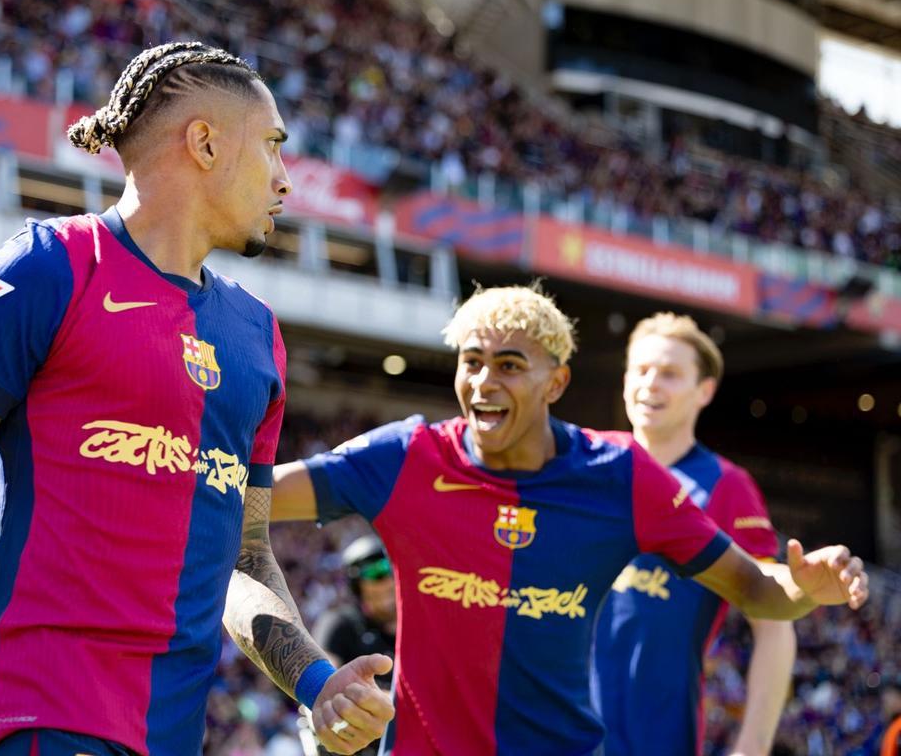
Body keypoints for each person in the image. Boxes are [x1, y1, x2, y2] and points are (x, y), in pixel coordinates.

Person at [0, 42, 392, 756]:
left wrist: (316, 682)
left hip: (171, 734)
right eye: (272, 148)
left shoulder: (258, 337)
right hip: (37, 716)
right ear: (205, 143)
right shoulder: (44, 271)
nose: (284, 180)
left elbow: (241, 560)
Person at [270, 285, 868, 755]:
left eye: (509, 365)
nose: (483, 381)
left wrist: (804, 589)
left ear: (556, 381)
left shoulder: (622, 475)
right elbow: (254, 494)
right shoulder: (405, 456)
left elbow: (759, 592)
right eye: (472, 361)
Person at [591, 313, 795, 756]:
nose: (650, 384)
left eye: (669, 373)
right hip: (553, 735)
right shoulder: (586, 465)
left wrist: (753, 747)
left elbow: (775, 622)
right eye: (641, 370)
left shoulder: (727, 485)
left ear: (704, 390)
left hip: (658, 740)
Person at [305, 536, 397, 756]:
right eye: (374, 575)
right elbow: (326, 683)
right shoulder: (339, 624)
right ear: (358, 587)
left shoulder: (419, 626)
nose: (385, 581)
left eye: (390, 570)